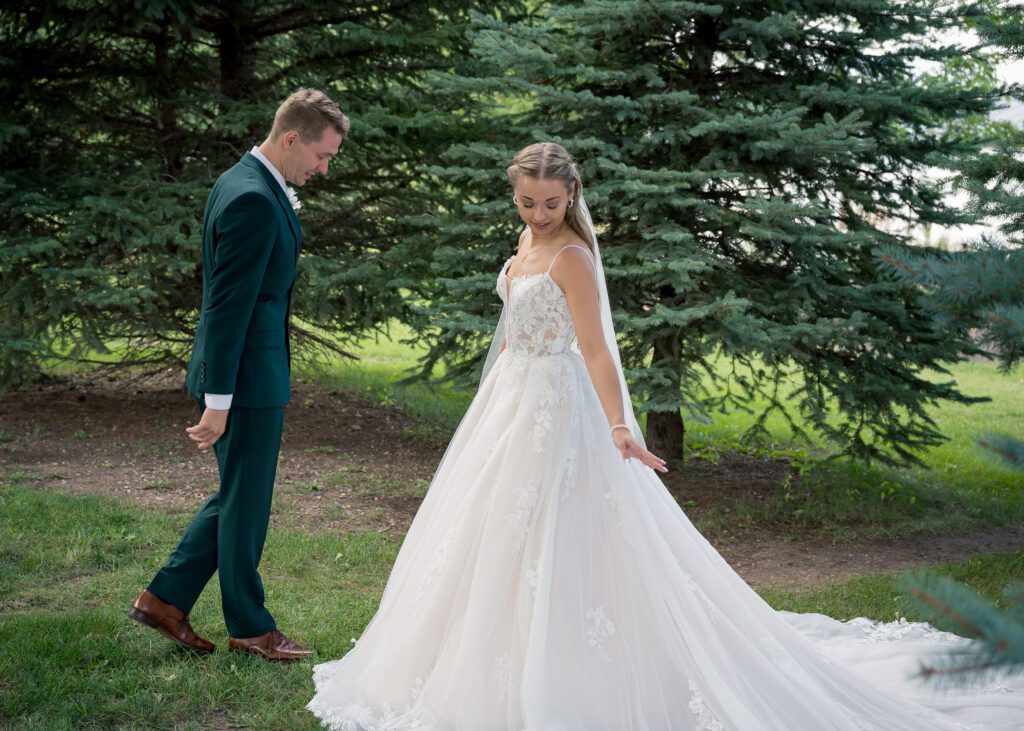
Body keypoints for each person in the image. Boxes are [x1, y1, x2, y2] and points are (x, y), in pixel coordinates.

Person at [307, 142, 1023, 728]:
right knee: (487, 534)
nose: (538, 213)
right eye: (526, 202)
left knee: (561, 534)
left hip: (559, 408)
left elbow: (595, 351)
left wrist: (619, 423)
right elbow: (511, 332)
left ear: (573, 196)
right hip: (508, 404)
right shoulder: (525, 239)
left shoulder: (573, 258)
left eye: (551, 203)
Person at [129, 89, 349, 662]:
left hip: (248, 375)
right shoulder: (252, 198)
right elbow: (229, 308)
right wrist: (220, 400)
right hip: (244, 381)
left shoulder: (245, 180)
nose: (323, 169)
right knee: (246, 507)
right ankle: (250, 627)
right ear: (292, 137)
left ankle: (164, 599)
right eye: (322, 156)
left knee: (237, 498)